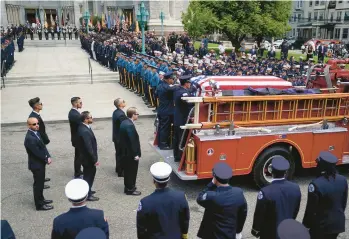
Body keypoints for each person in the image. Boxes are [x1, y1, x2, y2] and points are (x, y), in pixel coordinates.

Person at [251, 156, 301, 239]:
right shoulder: (295, 188)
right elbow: (296, 209)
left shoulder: (266, 192)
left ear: (271, 171)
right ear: (285, 172)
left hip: (270, 233)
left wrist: (256, 229)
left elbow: (259, 214)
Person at [137, 162, 190, 239]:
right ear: (168, 180)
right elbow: (185, 219)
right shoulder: (181, 197)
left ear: (154, 181)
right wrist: (184, 234)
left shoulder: (145, 202)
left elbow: (141, 227)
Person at [302, 151, 348, 239]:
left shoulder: (316, 184)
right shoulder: (342, 180)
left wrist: (306, 224)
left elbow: (311, 208)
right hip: (338, 224)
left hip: (321, 226)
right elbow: (343, 202)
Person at [197, 162, 247, 239]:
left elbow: (200, 198)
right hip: (229, 234)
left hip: (213, 235)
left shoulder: (212, 196)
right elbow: (243, 213)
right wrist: (238, 231)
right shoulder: (239, 192)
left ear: (214, 177)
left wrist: (211, 183)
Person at [24, 117, 53, 211]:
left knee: (40, 184)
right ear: (28, 125)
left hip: (40, 163)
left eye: (37, 123)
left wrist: (48, 155)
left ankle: (42, 199)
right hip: (36, 165)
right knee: (38, 185)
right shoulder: (30, 138)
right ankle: (39, 205)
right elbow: (37, 152)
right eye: (34, 124)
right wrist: (46, 158)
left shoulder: (36, 133)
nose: (37, 126)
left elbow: (43, 147)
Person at [77, 111, 99, 201]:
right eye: (90, 117)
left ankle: (88, 190)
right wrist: (94, 159)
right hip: (88, 159)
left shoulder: (83, 127)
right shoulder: (84, 130)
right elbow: (88, 147)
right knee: (89, 176)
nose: (92, 118)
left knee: (88, 175)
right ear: (86, 119)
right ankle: (87, 194)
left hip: (85, 157)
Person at [119, 107, 141, 196]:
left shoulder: (125, 122)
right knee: (132, 171)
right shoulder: (130, 125)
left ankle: (129, 186)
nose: (138, 116)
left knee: (128, 171)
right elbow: (132, 141)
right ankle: (130, 189)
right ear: (133, 115)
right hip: (130, 154)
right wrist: (136, 154)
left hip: (125, 152)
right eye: (137, 114)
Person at [156, 72, 178, 150]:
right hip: (167, 111)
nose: (173, 81)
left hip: (161, 109)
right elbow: (176, 88)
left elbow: (156, 95)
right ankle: (163, 144)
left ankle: (160, 143)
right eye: (172, 79)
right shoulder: (168, 88)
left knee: (161, 127)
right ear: (169, 79)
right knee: (165, 128)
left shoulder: (160, 86)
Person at [173, 75, 193, 162]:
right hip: (182, 118)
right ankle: (180, 157)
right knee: (181, 138)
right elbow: (189, 103)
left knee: (177, 138)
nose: (190, 85)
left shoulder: (179, 89)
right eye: (189, 83)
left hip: (178, 117)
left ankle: (177, 156)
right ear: (186, 84)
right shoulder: (183, 93)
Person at [68, 97, 83, 178]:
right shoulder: (74, 114)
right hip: (78, 139)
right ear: (75, 103)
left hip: (76, 138)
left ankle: (78, 170)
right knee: (78, 156)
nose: (81, 104)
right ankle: (77, 172)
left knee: (78, 155)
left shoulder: (74, 112)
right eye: (80, 102)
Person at [112, 98, 127, 176]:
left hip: (116, 137)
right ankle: (121, 171)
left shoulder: (116, 112)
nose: (125, 102)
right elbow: (125, 126)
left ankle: (118, 168)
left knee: (118, 153)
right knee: (121, 154)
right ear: (120, 104)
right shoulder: (120, 114)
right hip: (120, 138)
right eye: (123, 101)